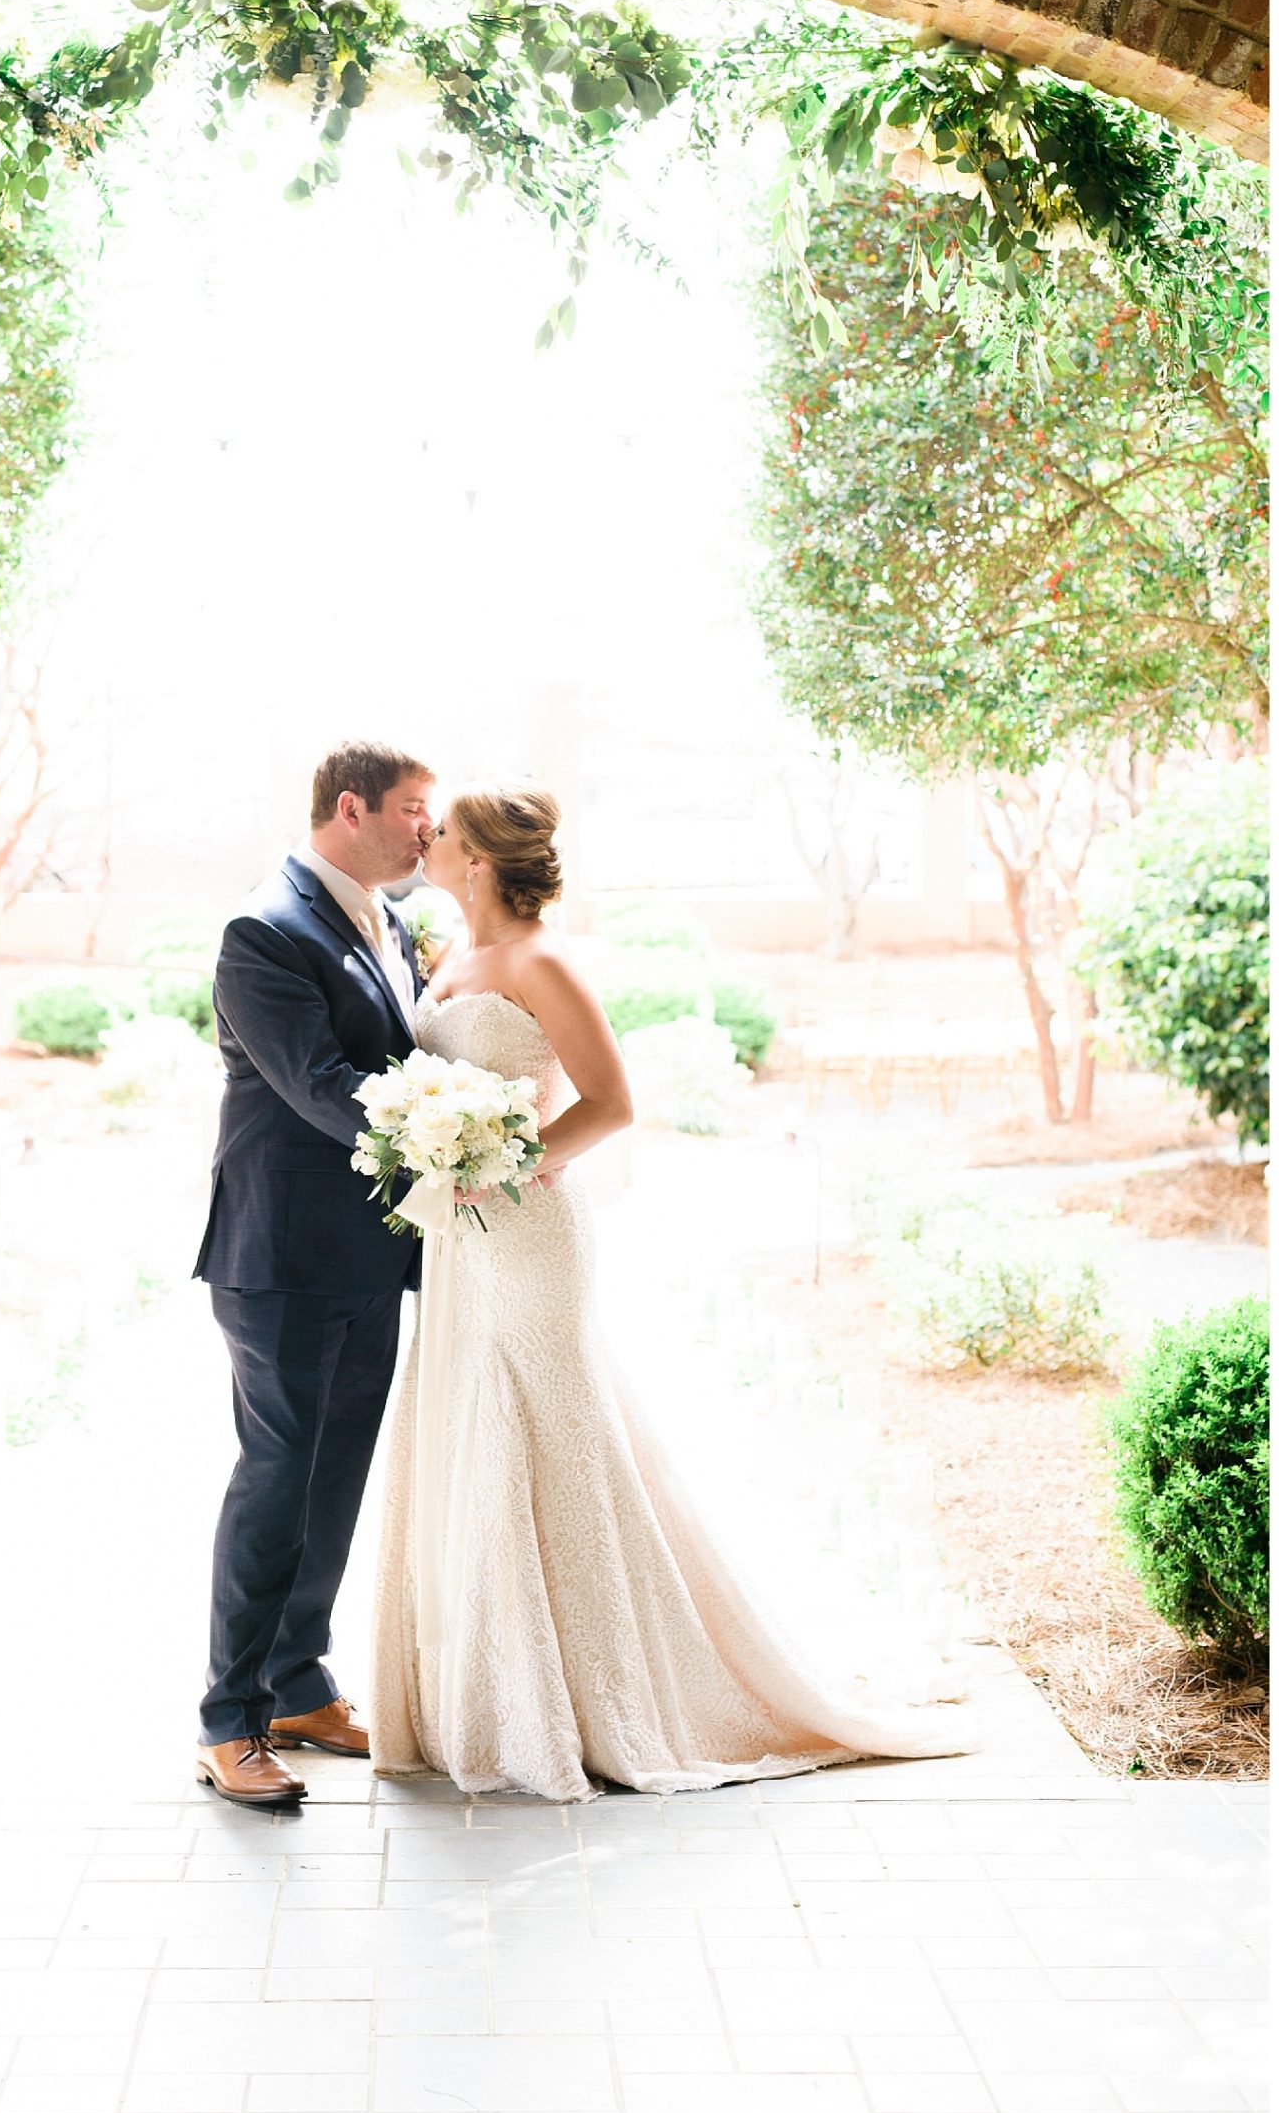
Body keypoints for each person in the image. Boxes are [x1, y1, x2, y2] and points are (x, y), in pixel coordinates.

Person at [370, 782, 977, 1800]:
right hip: (458, 1244)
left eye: (446, 834)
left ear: (478, 861)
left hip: (528, 1238)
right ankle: (491, 1692)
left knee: (547, 1438)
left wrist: (503, 1161)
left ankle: (601, 1696)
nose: (426, 840)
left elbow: (612, 1101)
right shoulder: (446, 958)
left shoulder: (543, 961)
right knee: (471, 1438)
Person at [192, 740, 437, 1807]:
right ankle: (228, 1721)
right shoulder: (264, 928)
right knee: (278, 1475)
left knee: (336, 1472)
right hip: (279, 1255)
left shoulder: (389, 921)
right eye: (415, 809)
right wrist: (453, 1142)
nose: (430, 828)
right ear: (353, 808)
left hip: (369, 1251)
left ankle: (298, 1681)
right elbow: (325, 1085)